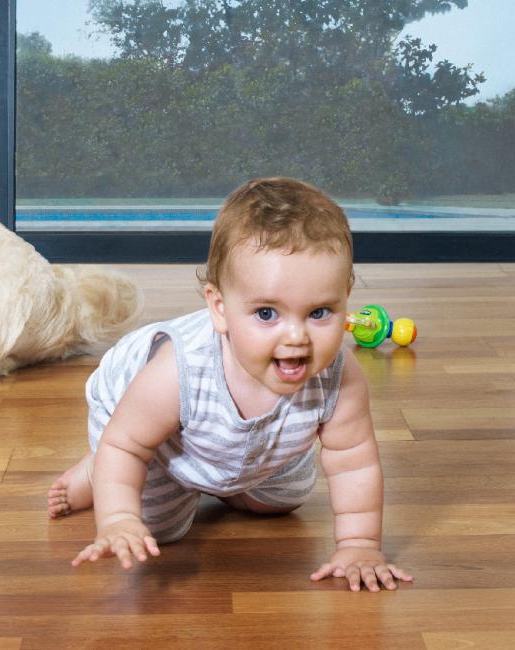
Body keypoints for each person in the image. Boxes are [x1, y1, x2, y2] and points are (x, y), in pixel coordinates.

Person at [47, 177, 414, 592]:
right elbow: (126, 443)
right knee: (158, 527)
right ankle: (94, 473)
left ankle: (228, 483)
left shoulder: (341, 378)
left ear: (345, 300)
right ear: (219, 309)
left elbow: (354, 462)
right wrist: (117, 519)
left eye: (319, 312)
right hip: (145, 437)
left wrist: (359, 544)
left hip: (243, 445)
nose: (296, 337)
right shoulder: (178, 371)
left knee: (284, 499)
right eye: (265, 314)